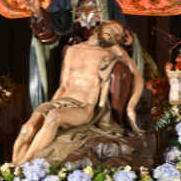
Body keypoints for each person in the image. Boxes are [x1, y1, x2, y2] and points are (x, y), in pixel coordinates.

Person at [25, 0, 147, 114]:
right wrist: (38, 12)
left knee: (120, 73)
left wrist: (129, 40)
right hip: (76, 52)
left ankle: (115, 122)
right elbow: (52, 25)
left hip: (104, 51)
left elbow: (122, 29)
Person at [11, 20, 144, 165]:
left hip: (84, 107)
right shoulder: (72, 50)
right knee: (27, 128)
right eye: (112, 29)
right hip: (63, 101)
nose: (113, 35)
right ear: (99, 27)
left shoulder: (113, 52)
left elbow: (138, 76)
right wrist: (51, 104)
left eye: (117, 35)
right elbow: (64, 85)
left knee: (54, 117)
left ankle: (24, 163)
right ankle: (12, 167)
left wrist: (131, 108)